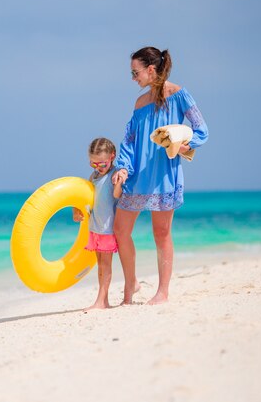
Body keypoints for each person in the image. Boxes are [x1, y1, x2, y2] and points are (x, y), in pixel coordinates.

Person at [112, 47, 209, 305]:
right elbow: (129, 141)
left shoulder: (179, 95)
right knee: (120, 230)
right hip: (135, 176)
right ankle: (131, 285)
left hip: (164, 174)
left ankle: (162, 292)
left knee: (161, 233)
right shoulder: (140, 103)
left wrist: (187, 145)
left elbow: (201, 129)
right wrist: (122, 166)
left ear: (151, 70)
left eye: (135, 72)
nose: (133, 78)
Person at [73, 138, 136, 310]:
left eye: (102, 164)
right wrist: (76, 210)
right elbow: (87, 198)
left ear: (112, 157)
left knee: (105, 265)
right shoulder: (94, 176)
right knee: (100, 264)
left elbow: (116, 195)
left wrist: (119, 182)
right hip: (95, 227)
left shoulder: (114, 174)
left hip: (107, 228)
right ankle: (104, 300)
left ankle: (101, 300)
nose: (98, 168)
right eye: (93, 164)